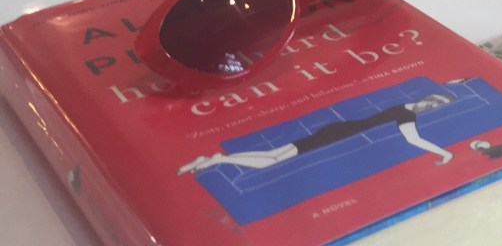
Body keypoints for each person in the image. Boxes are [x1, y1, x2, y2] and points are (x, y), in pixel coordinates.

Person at [177, 92, 456, 175]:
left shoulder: (405, 108)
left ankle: (216, 158)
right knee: (274, 160)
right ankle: (217, 160)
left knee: (275, 155)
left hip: (339, 131)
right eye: (433, 102)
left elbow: (412, 138)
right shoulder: (405, 112)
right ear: (429, 97)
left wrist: (444, 152)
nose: (430, 107)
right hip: (337, 134)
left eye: (435, 107)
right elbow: (413, 139)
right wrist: (444, 152)